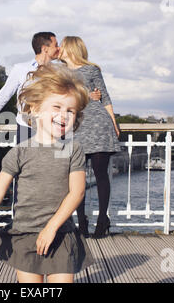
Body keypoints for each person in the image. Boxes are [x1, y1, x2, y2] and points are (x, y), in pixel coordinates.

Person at [0, 64, 94, 283]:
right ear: (35, 109)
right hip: (24, 235)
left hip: (61, 234)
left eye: (70, 111)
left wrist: (51, 228)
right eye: (56, 107)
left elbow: (77, 193)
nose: (63, 115)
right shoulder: (20, 151)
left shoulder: (73, 150)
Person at [59, 36, 121, 239]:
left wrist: (113, 122)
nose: (59, 48)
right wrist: (86, 93)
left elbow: (105, 96)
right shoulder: (59, 72)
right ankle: (81, 222)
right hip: (75, 127)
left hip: (98, 124)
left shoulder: (92, 70)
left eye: (62, 45)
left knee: (100, 174)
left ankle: (102, 220)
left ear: (70, 48)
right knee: (76, 177)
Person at [0, 32, 60, 144]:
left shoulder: (58, 72)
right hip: (26, 129)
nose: (59, 48)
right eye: (56, 45)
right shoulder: (20, 69)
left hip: (50, 130)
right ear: (45, 49)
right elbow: (3, 96)